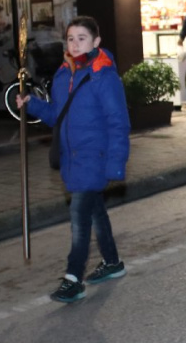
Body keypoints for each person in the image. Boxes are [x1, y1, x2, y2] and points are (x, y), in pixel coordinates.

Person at [17, 16, 130, 303]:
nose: (75, 44)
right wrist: (32, 104)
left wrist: (116, 164)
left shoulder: (104, 76)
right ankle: (112, 262)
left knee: (79, 217)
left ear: (96, 41)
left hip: (95, 157)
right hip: (72, 158)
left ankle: (73, 278)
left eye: (82, 38)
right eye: (70, 39)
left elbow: (118, 122)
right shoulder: (63, 74)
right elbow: (57, 115)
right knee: (95, 212)